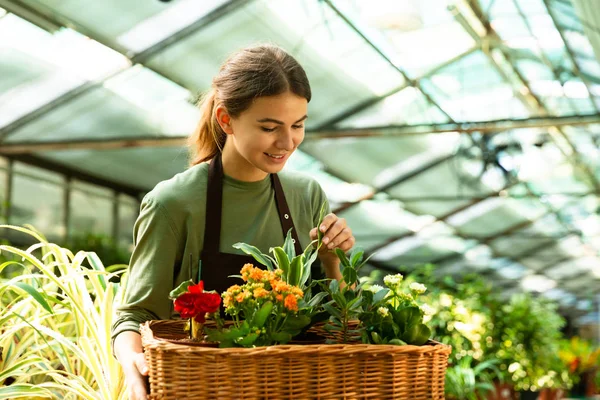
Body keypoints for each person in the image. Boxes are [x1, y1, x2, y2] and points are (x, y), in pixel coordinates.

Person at [111, 43, 355, 400]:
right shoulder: (173, 203)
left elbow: (342, 323)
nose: (287, 142)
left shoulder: (307, 195)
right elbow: (133, 316)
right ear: (226, 120)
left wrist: (335, 259)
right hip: (201, 389)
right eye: (270, 127)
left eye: (298, 125)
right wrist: (133, 366)